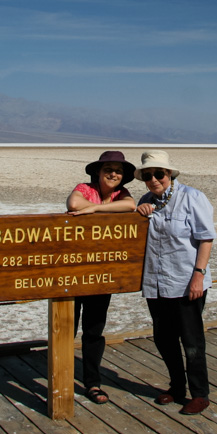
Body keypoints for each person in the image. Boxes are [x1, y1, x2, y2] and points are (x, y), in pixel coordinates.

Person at [135, 150, 215, 415]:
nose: (154, 179)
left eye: (159, 173)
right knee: (164, 338)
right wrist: (139, 212)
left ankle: (200, 393)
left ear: (169, 174)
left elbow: (205, 238)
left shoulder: (192, 197)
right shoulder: (146, 201)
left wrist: (198, 276)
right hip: (156, 283)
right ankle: (176, 387)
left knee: (191, 340)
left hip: (185, 281)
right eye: (148, 175)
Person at [66, 150, 137, 404]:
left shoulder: (122, 195)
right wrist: (106, 210)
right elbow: (73, 204)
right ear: (98, 171)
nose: (113, 174)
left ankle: (92, 383)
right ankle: (60, 378)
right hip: (72, 271)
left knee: (94, 331)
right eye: (108, 169)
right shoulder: (84, 188)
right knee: (66, 328)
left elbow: (130, 207)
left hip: (101, 273)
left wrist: (94, 209)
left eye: (118, 171)